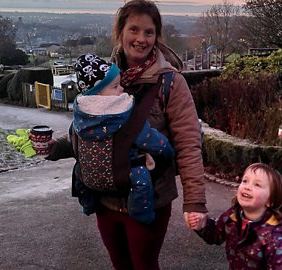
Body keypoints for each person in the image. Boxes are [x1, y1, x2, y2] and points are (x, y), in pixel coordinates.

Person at [46, 1, 207, 269]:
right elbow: (88, 133)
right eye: (134, 29)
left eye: (149, 32)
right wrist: (56, 147)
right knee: (120, 264)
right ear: (120, 32)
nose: (141, 39)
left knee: (144, 265)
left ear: (157, 36)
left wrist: (196, 201)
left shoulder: (170, 83)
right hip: (106, 199)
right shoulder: (103, 78)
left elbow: (189, 144)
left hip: (150, 199)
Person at [72, 53, 175, 224]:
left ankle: (87, 203)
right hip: (121, 177)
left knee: (78, 170)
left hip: (90, 178)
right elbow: (153, 141)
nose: (122, 89)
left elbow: (72, 141)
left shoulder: (80, 117)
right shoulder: (125, 117)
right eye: (115, 86)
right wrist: (170, 153)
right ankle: (141, 215)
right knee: (141, 178)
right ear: (97, 93)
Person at [188, 163, 282, 269]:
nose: (248, 187)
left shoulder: (276, 238)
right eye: (245, 181)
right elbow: (216, 234)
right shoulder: (233, 216)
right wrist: (202, 225)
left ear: (271, 201)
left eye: (257, 184)